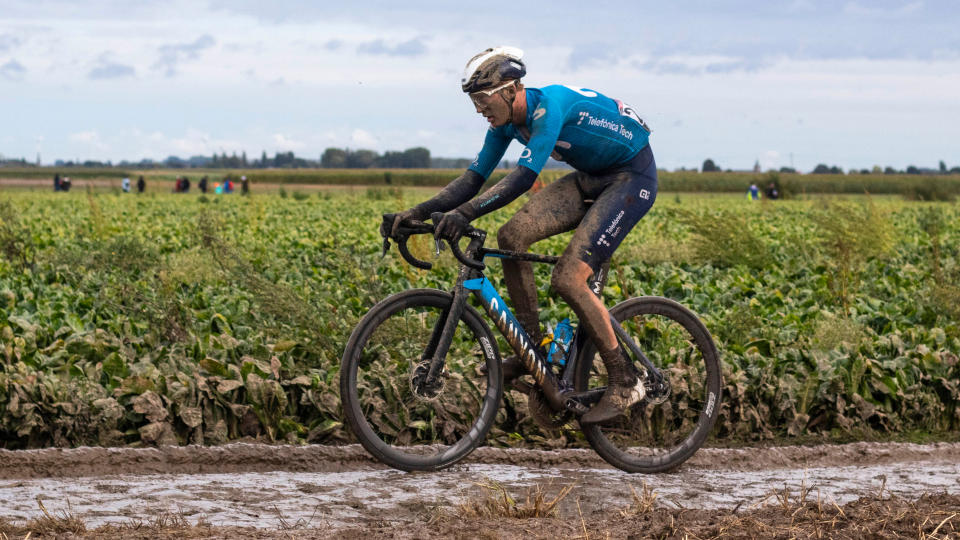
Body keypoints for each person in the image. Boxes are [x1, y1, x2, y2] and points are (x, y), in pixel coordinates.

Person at [383, 46, 657, 424]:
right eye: (473, 101)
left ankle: (626, 380)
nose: (479, 108)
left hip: (631, 179)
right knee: (511, 237)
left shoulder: (549, 108)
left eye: (482, 98)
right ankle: (534, 350)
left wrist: (466, 214)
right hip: (591, 177)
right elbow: (472, 180)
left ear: (510, 89)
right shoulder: (504, 125)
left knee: (568, 278)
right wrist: (413, 214)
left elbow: (524, 177)